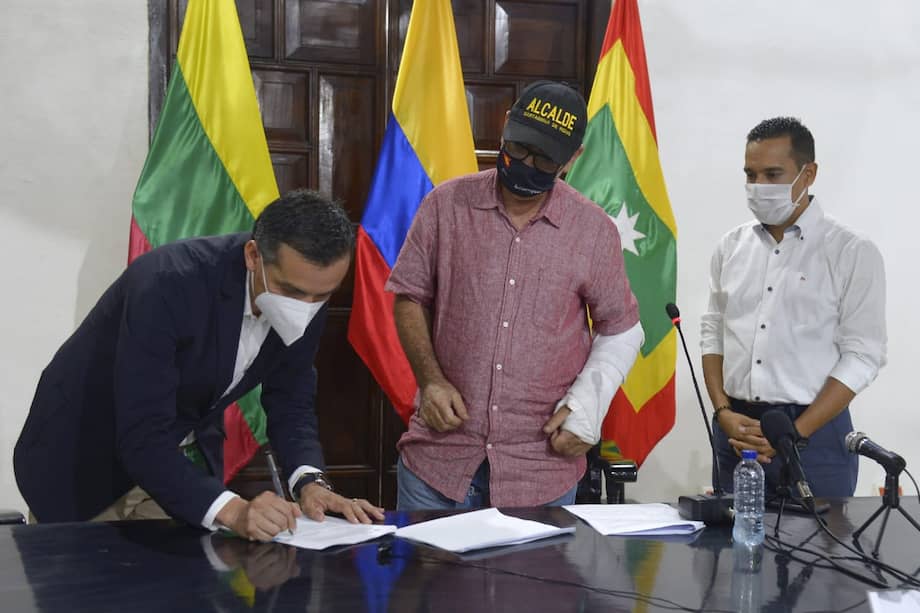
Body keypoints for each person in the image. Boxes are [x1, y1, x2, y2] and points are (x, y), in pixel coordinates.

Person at [14, 189, 384, 539]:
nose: (305, 307)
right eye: (292, 291)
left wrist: (310, 482)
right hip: (81, 459)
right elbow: (143, 433)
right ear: (253, 256)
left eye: (322, 295)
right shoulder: (167, 282)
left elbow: (291, 399)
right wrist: (235, 511)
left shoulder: (306, 290)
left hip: (174, 469)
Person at [386, 81, 644, 510]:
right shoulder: (445, 205)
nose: (526, 164)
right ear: (506, 126)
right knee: (421, 560)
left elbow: (621, 329)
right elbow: (409, 296)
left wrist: (588, 406)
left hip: (539, 470)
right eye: (519, 148)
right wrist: (430, 380)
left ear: (573, 158)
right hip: (439, 461)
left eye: (544, 159)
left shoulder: (594, 230)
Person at [701, 117, 887, 498]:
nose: (759, 186)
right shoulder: (730, 247)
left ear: (809, 174)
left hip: (815, 435)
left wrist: (795, 432)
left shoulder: (851, 251)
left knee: (821, 538)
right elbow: (713, 333)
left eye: (772, 174)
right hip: (738, 431)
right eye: (750, 175)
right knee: (735, 536)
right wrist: (722, 412)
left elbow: (863, 356)